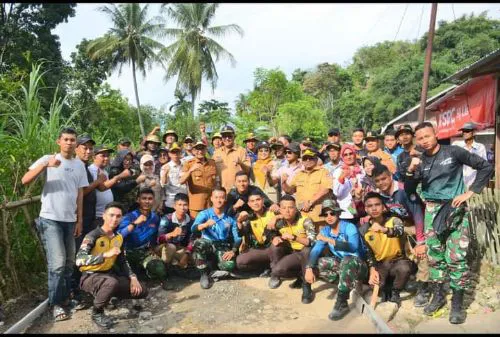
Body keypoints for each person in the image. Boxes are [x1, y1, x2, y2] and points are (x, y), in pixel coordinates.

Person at [405, 121, 493, 324]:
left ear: (435, 134)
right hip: (432, 212)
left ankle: (457, 304)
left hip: (454, 209)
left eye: (427, 136)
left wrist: (470, 192)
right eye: (420, 138)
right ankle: (438, 296)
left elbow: (485, 167)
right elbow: (409, 189)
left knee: (456, 258)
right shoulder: (420, 161)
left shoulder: (454, 152)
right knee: (435, 257)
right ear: (416, 141)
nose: (424, 141)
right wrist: (411, 169)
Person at [22, 127, 89, 322]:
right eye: (66, 139)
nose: (69, 142)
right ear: (58, 141)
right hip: (50, 218)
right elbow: (25, 180)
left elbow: (80, 194)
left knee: (69, 264)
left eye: (72, 140)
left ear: (76, 144)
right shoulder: (47, 158)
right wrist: (45, 166)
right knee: (57, 264)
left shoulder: (79, 166)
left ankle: (65, 299)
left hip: (70, 220)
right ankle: (56, 304)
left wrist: (80, 220)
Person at [76, 202, 148, 328]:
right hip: (89, 277)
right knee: (111, 283)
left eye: (118, 216)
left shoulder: (118, 238)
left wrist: (133, 277)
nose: (114, 219)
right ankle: (97, 312)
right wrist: (104, 255)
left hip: (108, 275)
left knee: (142, 290)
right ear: (104, 216)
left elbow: (122, 261)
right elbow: (79, 260)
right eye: (111, 215)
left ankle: (109, 296)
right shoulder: (92, 236)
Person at [371, 164, 430, 307]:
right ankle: (403, 279)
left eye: (383, 179)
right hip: (404, 225)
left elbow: (417, 213)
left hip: (421, 224)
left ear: (390, 176)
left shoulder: (403, 190)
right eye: (377, 181)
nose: (381, 183)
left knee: (421, 254)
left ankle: (424, 288)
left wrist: (421, 240)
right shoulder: (382, 195)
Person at [304, 199, 367, 320]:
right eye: (326, 214)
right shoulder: (325, 231)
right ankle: (346, 284)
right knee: (319, 263)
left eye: (332, 213)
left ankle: (341, 303)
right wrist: (308, 268)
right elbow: (316, 250)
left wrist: (329, 240)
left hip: (358, 266)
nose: (329, 216)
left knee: (347, 260)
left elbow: (353, 247)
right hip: (343, 265)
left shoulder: (349, 227)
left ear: (338, 214)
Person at [360, 192, 413, 306]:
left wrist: (384, 229)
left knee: (404, 268)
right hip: (381, 264)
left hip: (397, 260)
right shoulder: (364, 230)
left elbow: (399, 231)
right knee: (375, 284)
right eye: (370, 206)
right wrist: (372, 270)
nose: (374, 208)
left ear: (383, 207)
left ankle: (395, 291)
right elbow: (368, 252)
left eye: (377, 204)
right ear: (366, 209)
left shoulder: (394, 220)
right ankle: (385, 288)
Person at [266, 195, 317, 304]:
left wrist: (294, 237)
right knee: (277, 269)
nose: (287, 211)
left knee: (306, 250)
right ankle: (295, 275)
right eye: (284, 208)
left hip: (308, 255)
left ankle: (306, 286)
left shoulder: (305, 220)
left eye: (291, 207)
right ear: (280, 209)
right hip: (294, 254)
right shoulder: (280, 222)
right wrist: (274, 237)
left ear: (295, 208)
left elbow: (312, 241)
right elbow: (267, 232)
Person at [117, 188, 171, 290]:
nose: (147, 201)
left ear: (154, 200)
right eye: (144, 198)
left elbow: (155, 236)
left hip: (145, 252)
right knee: (123, 277)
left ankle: (152, 276)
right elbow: (119, 236)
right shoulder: (129, 217)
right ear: (138, 200)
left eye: (150, 199)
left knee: (159, 268)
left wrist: (154, 247)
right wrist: (134, 223)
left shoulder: (155, 217)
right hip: (128, 252)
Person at [191, 187, 242, 289]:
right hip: (208, 245)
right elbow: (193, 229)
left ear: (225, 199)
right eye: (216, 197)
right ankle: (204, 274)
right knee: (199, 244)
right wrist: (205, 225)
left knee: (229, 265)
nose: (219, 200)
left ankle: (212, 270)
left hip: (222, 246)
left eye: (222, 197)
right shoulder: (204, 214)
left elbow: (238, 238)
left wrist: (233, 251)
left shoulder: (230, 219)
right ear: (211, 199)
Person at [282, 149, 333, 231]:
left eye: (311, 158)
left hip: (318, 217)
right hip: (302, 217)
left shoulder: (323, 172)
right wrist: (284, 183)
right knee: (305, 241)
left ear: (316, 159)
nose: (308, 160)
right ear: (302, 161)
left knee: (321, 240)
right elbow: (290, 191)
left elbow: (326, 189)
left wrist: (310, 202)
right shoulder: (299, 174)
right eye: (305, 158)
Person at [235, 190, 277, 275]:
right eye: (252, 201)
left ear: (263, 201)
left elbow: (289, 215)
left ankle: (275, 272)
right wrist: (239, 222)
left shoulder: (272, 212)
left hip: (275, 247)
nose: (256, 203)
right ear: (249, 204)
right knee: (240, 262)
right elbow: (240, 233)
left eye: (258, 200)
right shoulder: (248, 217)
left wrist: (277, 217)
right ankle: (266, 266)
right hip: (260, 249)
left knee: (276, 246)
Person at [89, 145, 129, 227]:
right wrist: (119, 176)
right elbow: (101, 187)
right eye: (103, 156)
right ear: (94, 157)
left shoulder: (104, 171)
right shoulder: (91, 170)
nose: (106, 158)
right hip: (97, 216)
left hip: (106, 215)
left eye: (108, 156)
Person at [179, 141, 217, 218]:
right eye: (197, 149)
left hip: (210, 204)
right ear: (193, 151)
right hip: (196, 205)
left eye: (202, 149)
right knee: (196, 228)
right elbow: (181, 181)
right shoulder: (188, 163)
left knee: (210, 227)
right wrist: (190, 170)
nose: (200, 151)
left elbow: (216, 182)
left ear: (206, 150)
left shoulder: (212, 163)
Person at [158, 193, 193, 269]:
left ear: (188, 206)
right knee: (171, 247)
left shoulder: (191, 220)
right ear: (174, 206)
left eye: (185, 205)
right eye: (179, 205)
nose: (182, 208)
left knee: (194, 257)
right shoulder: (166, 219)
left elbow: (192, 240)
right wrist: (171, 234)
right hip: (166, 247)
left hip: (181, 248)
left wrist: (186, 254)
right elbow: (159, 239)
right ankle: (167, 265)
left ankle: (175, 263)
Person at [213, 125, 251, 193]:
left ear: (234, 137)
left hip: (238, 192)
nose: (227, 138)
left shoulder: (242, 151)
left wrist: (240, 163)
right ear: (221, 138)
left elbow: (248, 170)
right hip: (222, 193)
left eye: (230, 136)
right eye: (224, 136)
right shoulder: (216, 153)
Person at [452, 122, 488, 190]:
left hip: (474, 184)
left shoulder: (480, 147)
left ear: (473, 132)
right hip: (458, 185)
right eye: (463, 131)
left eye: (467, 131)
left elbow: (484, 166)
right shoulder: (456, 145)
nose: (464, 133)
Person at [332, 144, 364, 220]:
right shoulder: (338, 171)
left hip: (362, 211)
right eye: (345, 155)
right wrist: (343, 177)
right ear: (342, 157)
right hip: (346, 212)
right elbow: (337, 193)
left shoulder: (362, 170)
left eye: (351, 154)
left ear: (354, 154)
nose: (349, 157)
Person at [160, 142, 188, 214]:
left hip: (185, 201)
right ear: (169, 154)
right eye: (173, 152)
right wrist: (165, 173)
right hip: (171, 202)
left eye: (177, 152)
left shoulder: (186, 164)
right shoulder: (165, 167)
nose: (175, 154)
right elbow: (163, 184)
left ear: (180, 153)